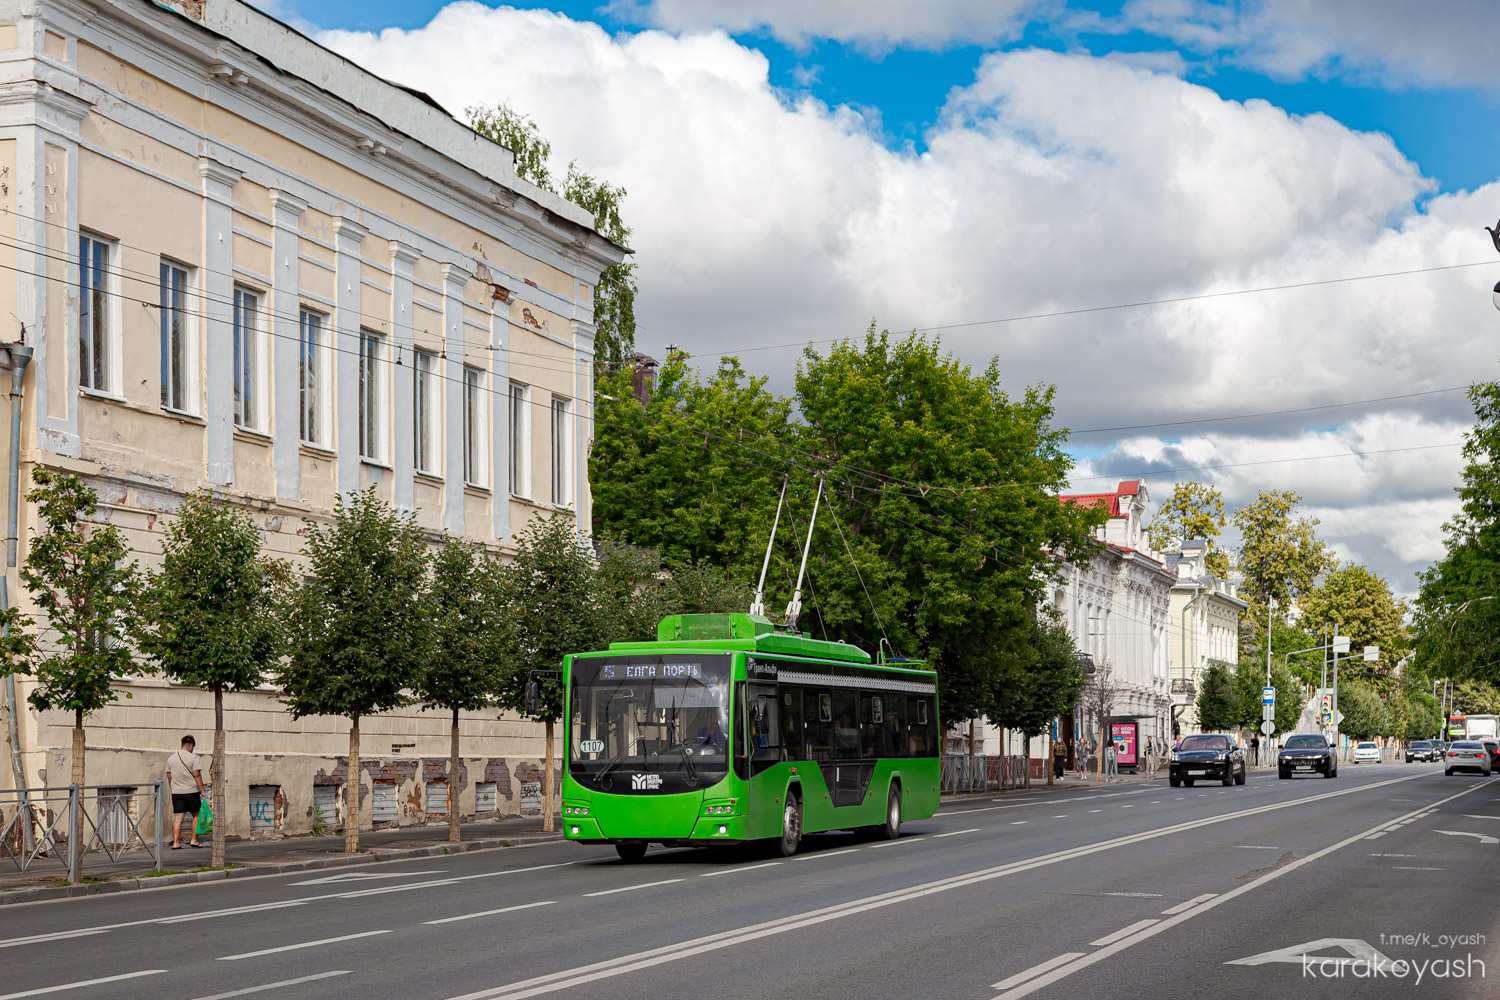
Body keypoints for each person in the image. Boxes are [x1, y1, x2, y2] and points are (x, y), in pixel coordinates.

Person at [165, 735, 206, 850]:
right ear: (191, 746)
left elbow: (169, 776)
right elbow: (197, 775)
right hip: (192, 792)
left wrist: (173, 788)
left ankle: (176, 843)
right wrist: (202, 790)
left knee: (178, 818)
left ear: (182, 744)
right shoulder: (193, 758)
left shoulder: (171, 758)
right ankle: (193, 840)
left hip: (177, 792)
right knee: (196, 815)